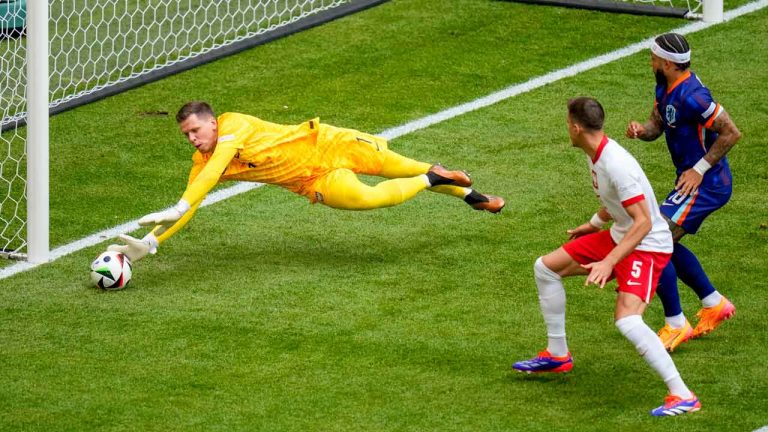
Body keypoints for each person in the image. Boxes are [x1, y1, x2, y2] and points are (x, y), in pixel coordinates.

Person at [108, 101, 505, 260]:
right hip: (311, 180)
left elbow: (211, 175)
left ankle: (471, 194)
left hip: (330, 143)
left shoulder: (233, 127)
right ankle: (434, 178)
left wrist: (177, 205)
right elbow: (193, 199)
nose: (193, 139)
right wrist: (154, 241)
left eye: (196, 130)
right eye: (187, 136)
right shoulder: (204, 159)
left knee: (402, 167)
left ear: (212, 122)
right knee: (369, 200)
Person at [513, 97, 700, 417]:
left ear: (575, 127)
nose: (566, 130)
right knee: (545, 268)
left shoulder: (615, 163)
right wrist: (595, 224)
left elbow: (642, 221)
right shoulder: (596, 152)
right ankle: (558, 355)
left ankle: (683, 395)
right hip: (621, 235)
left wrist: (609, 261)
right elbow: (615, 200)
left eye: (566, 124)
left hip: (648, 245)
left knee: (627, 319)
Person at [626, 33, 740, 352]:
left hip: (707, 184)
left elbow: (731, 132)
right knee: (663, 240)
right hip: (690, 182)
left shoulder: (695, 96)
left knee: (653, 239)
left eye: (652, 58)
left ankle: (676, 325)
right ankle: (713, 303)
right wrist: (642, 131)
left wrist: (699, 169)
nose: (649, 62)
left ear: (666, 63)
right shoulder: (664, 86)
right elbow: (658, 125)